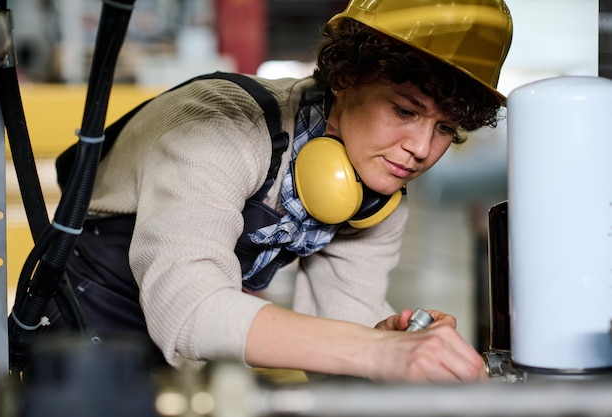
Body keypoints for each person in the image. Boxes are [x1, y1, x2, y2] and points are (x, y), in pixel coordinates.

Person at [45, 0, 513, 383]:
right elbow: (187, 309)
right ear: (346, 77)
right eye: (405, 110)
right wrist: (376, 351)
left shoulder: (377, 198)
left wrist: (390, 338)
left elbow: (341, 333)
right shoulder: (219, 124)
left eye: (445, 129)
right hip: (86, 333)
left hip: (193, 364)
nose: (420, 149)